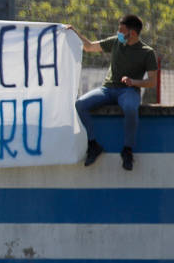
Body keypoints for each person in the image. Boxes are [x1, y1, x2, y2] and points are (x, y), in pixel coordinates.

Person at [66, 15, 158, 171]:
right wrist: (74, 32)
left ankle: (127, 150)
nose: (119, 33)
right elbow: (89, 47)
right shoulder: (115, 42)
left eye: (122, 31)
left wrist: (133, 82)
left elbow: (152, 81)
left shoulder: (147, 52)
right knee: (80, 104)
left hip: (128, 91)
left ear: (133, 33)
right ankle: (93, 144)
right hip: (107, 89)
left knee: (130, 108)